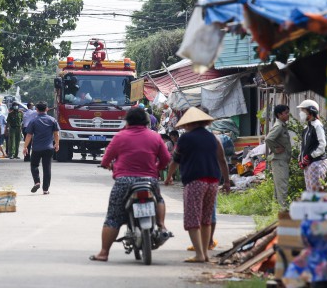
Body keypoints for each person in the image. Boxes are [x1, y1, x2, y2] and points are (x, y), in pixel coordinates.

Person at [89, 107, 171, 262]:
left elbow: (106, 160)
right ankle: (162, 225)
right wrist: (156, 169)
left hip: (124, 181)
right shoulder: (155, 137)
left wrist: (109, 166)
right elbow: (166, 159)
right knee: (159, 199)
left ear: (127, 121)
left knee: (113, 217)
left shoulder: (120, 136)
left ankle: (104, 253)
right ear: (147, 121)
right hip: (149, 180)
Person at [165, 107, 230, 263]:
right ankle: (205, 253)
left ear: (189, 123)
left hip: (195, 181)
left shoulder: (185, 139)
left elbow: (175, 160)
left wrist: (168, 177)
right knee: (206, 218)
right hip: (213, 181)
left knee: (193, 218)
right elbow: (222, 160)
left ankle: (200, 254)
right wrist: (227, 181)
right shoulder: (213, 138)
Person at [22, 102, 60, 195]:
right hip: (49, 148)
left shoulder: (33, 121)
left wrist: (25, 147)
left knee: (34, 165)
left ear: (37, 110)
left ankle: (37, 182)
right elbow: (56, 133)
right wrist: (57, 144)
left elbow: (29, 135)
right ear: (47, 109)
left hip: (36, 148)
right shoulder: (52, 120)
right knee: (47, 168)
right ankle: (45, 190)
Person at [297, 100, 327, 192]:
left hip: (316, 163)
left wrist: (309, 156)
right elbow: (304, 147)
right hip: (308, 163)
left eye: (303, 111)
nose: (301, 113)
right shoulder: (307, 128)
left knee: (315, 192)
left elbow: (322, 146)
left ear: (311, 112)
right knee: (310, 191)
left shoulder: (317, 126)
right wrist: (301, 159)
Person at [265, 104, 291, 208]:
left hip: (281, 160)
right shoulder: (279, 126)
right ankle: (283, 210)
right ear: (279, 115)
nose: (288, 115)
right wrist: (275, 149)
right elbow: (268, 139)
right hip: (279, 160)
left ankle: (276, 210)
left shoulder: (282, 125)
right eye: (286, 113)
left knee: (278, 187)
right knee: (282, 186)